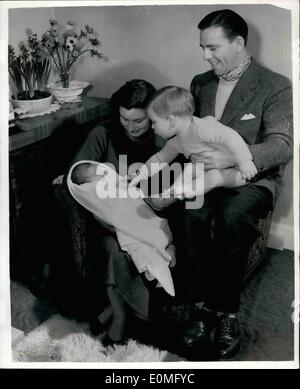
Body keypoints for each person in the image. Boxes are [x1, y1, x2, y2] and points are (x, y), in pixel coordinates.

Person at [167, 9, 293, 359]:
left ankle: (226, 314)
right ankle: (201, 308)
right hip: (202, 178)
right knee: (188, 212)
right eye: (202, 48)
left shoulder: (275, 84)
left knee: (231, 216)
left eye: (212, 47)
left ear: (238, 43)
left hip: (251, 181)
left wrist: (231, 158)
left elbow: (283, 145)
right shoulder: (200, 83)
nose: (205, 56)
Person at [64, 79, 170, 347]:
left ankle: (115, 311)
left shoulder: (163, 141)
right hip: (104, 217)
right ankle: (121, 314)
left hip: (145, 214)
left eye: (139, 121)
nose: (131, 127)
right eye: (125, 119)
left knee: (127, 244)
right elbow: (77, 175)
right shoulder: (104, 133)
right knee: (112, 246)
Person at [128, 85, 257, 199]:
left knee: (213, 176)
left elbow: (231, 136)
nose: (152, 127)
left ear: (171, 121)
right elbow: (160, 159)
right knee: (190, 168)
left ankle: (183, 192)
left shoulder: (203, 128)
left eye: (154, 121)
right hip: (210, 170)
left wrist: (245, 161)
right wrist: (140, 174)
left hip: (239, 173)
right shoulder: (177, 141)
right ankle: (172, 193)